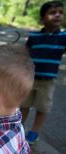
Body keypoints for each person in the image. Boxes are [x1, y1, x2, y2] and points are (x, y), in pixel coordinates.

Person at [21, 1, 66, 144]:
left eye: (60, 12)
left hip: (48, 81)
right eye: (53, 12)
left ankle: (34, 132)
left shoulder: (64, 37)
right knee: (24, 105)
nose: (58, 15)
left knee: (43, 107)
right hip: (30, 78)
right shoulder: (34, 36)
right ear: (42, 18)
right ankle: (19, 129)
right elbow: (25, 54)